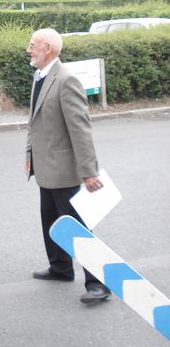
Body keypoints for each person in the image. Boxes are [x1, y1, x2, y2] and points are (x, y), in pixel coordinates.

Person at [26, 28, 111, 305]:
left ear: (48, 48)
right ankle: (60, 267)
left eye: (33, 45)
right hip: (45, 168)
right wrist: (29, 153)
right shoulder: (40, 76)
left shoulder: (66, 80)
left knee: (78, 228)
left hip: (65, 170)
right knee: (50, 222)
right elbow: (35, 122)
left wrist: (89, 171)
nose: (29, 49)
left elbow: (81, 130)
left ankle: (98, 283)